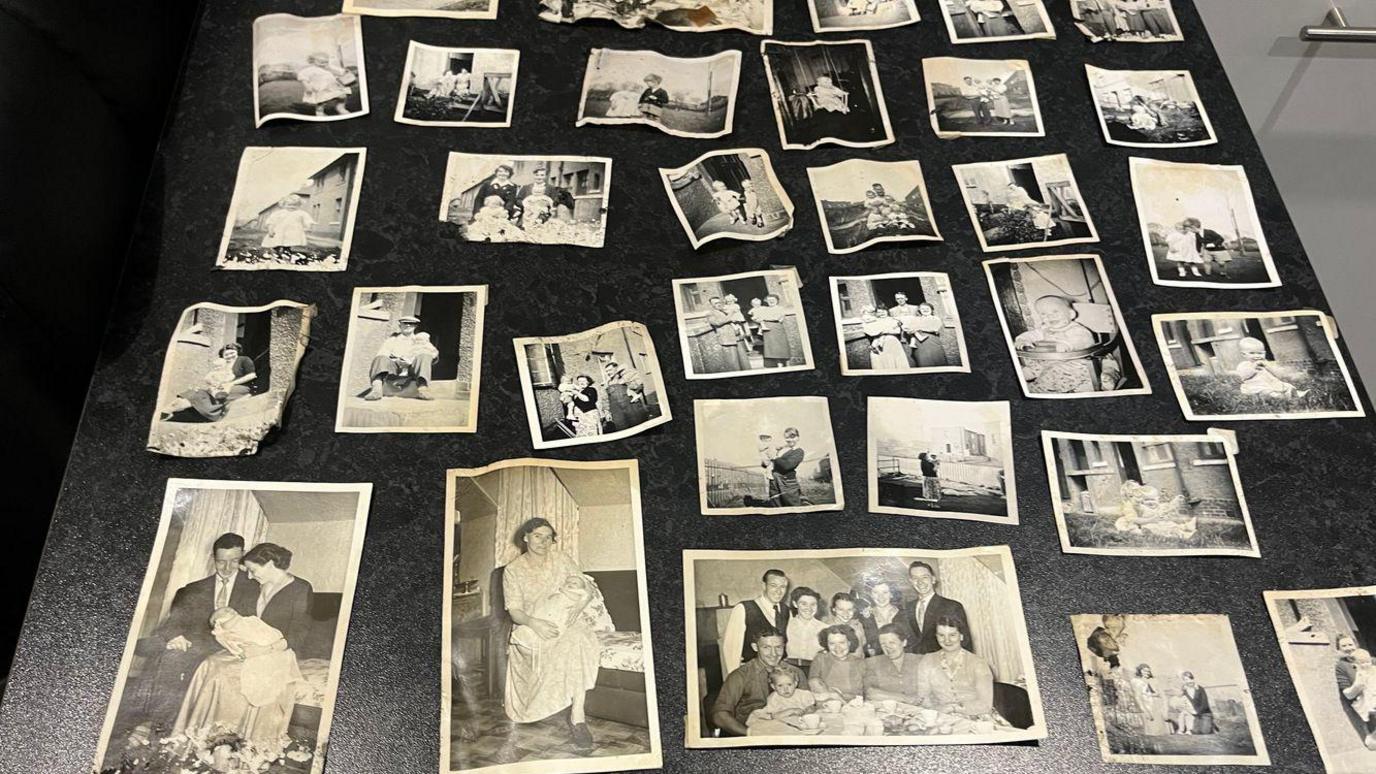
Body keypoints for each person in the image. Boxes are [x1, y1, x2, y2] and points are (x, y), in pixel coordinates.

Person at [174, 543, 314, 753]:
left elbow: (299, 633)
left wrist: (264, 650)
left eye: (252, 570)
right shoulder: (257, 585)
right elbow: (242, 621)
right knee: (210, 664)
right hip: (251, 647)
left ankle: (234, 742)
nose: (248, 576)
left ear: (269, 564)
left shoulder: (301, 588)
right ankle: (203, 736)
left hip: (278, 652)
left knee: (228, 675)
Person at [139, 533, 260, 728]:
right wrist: (176, 635)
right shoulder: (193, 589)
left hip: (233, 649)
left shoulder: (257, 588)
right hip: (197, 646)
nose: (227, 568)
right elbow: (173, 621)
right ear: (213, 559)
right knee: (171, 659)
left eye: (234, 561)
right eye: (221, 562)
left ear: (243, 557)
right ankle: (159, 726)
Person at [501, 518, 601, 752]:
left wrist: (582, 601)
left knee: (577, 639)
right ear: (525, 537)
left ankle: (578, 717)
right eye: (537, 536)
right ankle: (568, 714)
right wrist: (535, 623)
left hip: (566, 620)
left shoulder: (562, 559)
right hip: (530, 624)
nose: (543, 542)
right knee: (569, 641)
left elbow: (585, 585)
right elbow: (515, 612)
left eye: (548, 537)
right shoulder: (513, 570)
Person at [1013, 295, 1118, 394]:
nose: (1050, 316)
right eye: (1043, 314)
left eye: (1055, 311)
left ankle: (1037, 389)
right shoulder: (1045, 329)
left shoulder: (1077, 329)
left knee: (1054, 375)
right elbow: (1032, 334)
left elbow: (1082, 339)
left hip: (1078, 363)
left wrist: (1067, 344)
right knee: (1033, 364)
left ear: (1071, 314)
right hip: (1052, 361)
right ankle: (1026, 375)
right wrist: (1022, 340)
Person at [711, 628, 805, 737]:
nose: (773, 654)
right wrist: (750, 733)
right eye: (766, 648)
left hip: (788, 732)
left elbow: (809, 706)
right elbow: (719, 715)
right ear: (755, 647)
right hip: (749, 733)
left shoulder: (795, 672)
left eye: (778, 647)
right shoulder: (740, 676)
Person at [207, 607, 303, 708]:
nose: (229, 610)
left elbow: (284, 639)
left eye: (229, 609)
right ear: (217, 621)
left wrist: (266, 648)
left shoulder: (250, 620)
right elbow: (234, 641)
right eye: (223, 611)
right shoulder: (226, 628)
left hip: (272, 643)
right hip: (259, 647)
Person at [915, 618, 994, 717]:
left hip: (978, 716)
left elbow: (985, 705)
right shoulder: (927, 660)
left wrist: (953, 708)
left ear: (961, 636)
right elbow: (923, 696)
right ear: (936, 636)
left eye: (952, 635)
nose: (947, 640)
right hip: (941, 716)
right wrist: (935, 711)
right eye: (941, 635)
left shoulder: (978, 663)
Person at [160, 343, 259, 422]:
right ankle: (167, 411)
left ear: (237, 352)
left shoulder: (244, 360)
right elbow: (211, 378)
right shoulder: (222, 365)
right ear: (223, 357)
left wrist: (231, 383)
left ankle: (204, 411)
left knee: (213, 395)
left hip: (240, 387)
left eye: (232, 353)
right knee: (196, 393)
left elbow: (252, 375)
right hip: (218, 388)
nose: (230, 356)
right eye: (226, 354)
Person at [720, 569, 791, 676]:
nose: (778, 591)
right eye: (773, 585)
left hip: (778, 674)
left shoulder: (786, 610)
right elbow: (731, 647)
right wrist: (735, 678)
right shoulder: (744, 608)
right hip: (751, 673)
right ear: (764, 586)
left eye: (783, 587)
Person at [902, 561, 973, 655]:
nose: (920, 582)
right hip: (917, 665)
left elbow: (965, 642)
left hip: (944, 664)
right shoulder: (908, 608)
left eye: (925, 577)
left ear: (933, 579)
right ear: (911, 582)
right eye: (915, 578)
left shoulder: (952, 606)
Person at [365, 316, 438, 401]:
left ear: (415, 326)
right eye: (405, 323)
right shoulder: (392, 339)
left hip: (413, 368)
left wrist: (412, 360)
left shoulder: (421, 339)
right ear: (400, 325)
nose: (407, 325)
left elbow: (434, 353)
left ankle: (423, 388)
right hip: (395, 367)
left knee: (425, 355)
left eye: (411, 324)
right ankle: (376, 388)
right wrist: (397, 361)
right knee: (380, 357)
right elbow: (383, 352)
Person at [1333, 633, 1376, 748]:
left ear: (1356, 645)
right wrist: (1358, 685)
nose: (1348, 648)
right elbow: (1348, 694)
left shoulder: (1370, 660)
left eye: (1350, 644)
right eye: (1344, 646)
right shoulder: (1341, 666)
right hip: (1365, 701)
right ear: (1339, 649)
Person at [863, 624, 922, 704]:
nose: (888, 648)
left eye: (892, 643)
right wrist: (904, 698)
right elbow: (870, 693)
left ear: (904, 642)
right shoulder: (872, 663)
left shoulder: (920, 660)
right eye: (883, 644)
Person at [1235, 337, 1309, 399]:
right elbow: (1244, 376)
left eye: (1260, 353)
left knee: (1286, 385)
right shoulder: (1244, 365)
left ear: (1265, 353)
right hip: (1256, 386)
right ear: (1243, 354)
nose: (1257, 356)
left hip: (1271, 383)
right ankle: (1282, 396)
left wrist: (1268, 366)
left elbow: (1277, 374)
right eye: (1252, 353)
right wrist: (1254, 367)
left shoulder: (1265, 363)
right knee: (1266, 392)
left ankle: (1296, 393)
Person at [745, 668, 818, 730]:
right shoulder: (774, 698)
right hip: (783, 725)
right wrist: (790, 711)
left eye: (789, 684)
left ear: (795, 683)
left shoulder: (803, 695)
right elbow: (774, 716)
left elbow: (813, 707)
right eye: (780, 685)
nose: (785, 689)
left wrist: (809, 709)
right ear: (773, 686)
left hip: (801, 723)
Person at [809, 624, 866, 702]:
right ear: (827, 644)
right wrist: (831, 695)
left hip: (854, 707)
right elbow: (813, 684)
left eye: (842, 643)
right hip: (826, 706)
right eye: (832, 644)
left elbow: (865, 693)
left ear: (849, 643)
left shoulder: (861, 663)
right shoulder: (820, 659)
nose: (837, 648)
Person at [705, 296, 753, 373]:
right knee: (733, 362)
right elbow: (717, 322)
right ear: (711, 305)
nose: (719, 304)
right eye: (716, 303)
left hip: (738, 337)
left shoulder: (725, 310)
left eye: (719, 302)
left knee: (744, 360)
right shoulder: (710, 314)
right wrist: (731, 314)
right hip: (727, 339)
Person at [296, 52, 353, 116]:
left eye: (326, 62)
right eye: (321, 62)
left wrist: (344, 72)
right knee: (322, 101)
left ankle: (340, 108)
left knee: (342, 96)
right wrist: (307, 86)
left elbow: (340, 72)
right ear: (312, 61)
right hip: (321, 88)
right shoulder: (309, 70)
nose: (324, 64)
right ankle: (319, 112)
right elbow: (303, 77)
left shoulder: (330, 67)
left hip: (334, 86)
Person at [785, 587, 827, 668]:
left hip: (815, 669)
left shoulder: (825, 628)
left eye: (813, 604)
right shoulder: (786, 625)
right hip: (789, 669)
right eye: (804, 604)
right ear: (795, 604)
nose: (809, 608)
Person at [602, 360, 649, 431]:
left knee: (640, 428)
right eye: (607, 371)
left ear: (616, 369)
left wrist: (626, 383)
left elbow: (639, 386)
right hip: (617, 413)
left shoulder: (627, 377)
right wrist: (606, 412)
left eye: (610, 370)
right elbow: (605, 399)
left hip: (633, 409)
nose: (608, 373)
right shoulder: (607, 384)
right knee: (623, 430)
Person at [764, 427, 806, 507]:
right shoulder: (783, 449)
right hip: (774, 480)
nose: (789, 440)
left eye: (792, 437)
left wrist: (775, 457)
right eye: (787, 438)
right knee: (776, 504)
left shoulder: (799, 451)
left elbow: (787, 466)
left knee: (792, 505)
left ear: (798, 437)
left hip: (787, 482)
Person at [860, 581, 902, 656]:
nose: (880, 597)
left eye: (885, 592)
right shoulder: (864, 617)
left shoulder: (904, 615)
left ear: (891, 594)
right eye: (876, 592)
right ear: (871, 595)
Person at [904, 303, 946, 367]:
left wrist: (919, 328)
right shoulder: (916, 319)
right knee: (923, 362)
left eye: (927, 308)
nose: (925, 310)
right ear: (919, 310)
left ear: (931, 310)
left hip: (931, 341)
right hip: (919, 343)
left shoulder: (935, 318)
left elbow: (935, 329)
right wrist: (910, 331)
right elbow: (909, 329)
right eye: (922, 309)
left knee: (936, 361)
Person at [756, 294, 793, 368]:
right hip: (767, 330)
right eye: (769, 300)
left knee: (780, 346)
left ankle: (783, 364)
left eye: (773, 300)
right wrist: (763, 319)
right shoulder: (765, 309)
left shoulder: (780, 308)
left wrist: (765, 317)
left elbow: (778, 318)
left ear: (777, 301)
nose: (771, 301)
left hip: (777, 329)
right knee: (772, 348)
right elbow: (757, 318)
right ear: (767, 301)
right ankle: (778, 364)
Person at [1131, 664, 1169, 735]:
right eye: (1144, 671)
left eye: (1148, 671)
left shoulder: (1154, 680)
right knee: (1152, 727)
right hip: (1147, 704)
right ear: (1140, 671)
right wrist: (1144, 710)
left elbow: (1162, 694)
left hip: (1157, 704)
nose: (1147, 673)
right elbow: (1138, 696)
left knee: (1161, 727)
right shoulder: (1137, 681)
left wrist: (1165, 708)